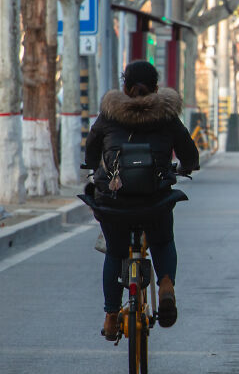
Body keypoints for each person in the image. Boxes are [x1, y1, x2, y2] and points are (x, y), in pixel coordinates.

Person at [85, 61, 199, 340]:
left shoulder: (109, 113)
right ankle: (166, 285)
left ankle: (111, 316)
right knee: (162, 241)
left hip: (115, 202)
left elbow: (91, 151)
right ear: (156, 88)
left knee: (115, 252)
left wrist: (93, 165)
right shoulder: (167, 115)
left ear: (125, 87)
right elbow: (188, 152)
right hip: (154, 200)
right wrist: (187, 166)